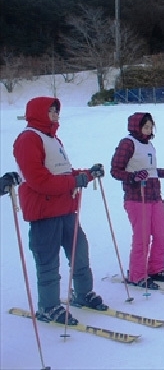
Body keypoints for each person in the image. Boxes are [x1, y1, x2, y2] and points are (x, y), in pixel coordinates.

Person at [13, 96, 107, 325]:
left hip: (66, 209)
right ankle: (48, 306)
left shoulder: (53, 139)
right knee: (48, 262)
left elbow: (64, 172)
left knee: (80, 253)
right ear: (39, 113)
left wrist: (87, 174)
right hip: (44, 213)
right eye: (51, 111)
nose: (56, 114)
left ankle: (83, 293)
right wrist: (74, 183)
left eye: (56, 110)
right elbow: (39, 180)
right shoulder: (28, 139)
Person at [110, 112, 164, 290]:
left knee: (161, 234)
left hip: (154, 196)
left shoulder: (149, 144)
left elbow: (151, 171)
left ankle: (155, 269)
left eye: (151, 126)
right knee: (142, 238)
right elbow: (115, 170)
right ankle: (137, 275)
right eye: (145, 126)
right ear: (136, 127)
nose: (149, 130)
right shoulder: (128, 143)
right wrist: (133, 176)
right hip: (137, 198)